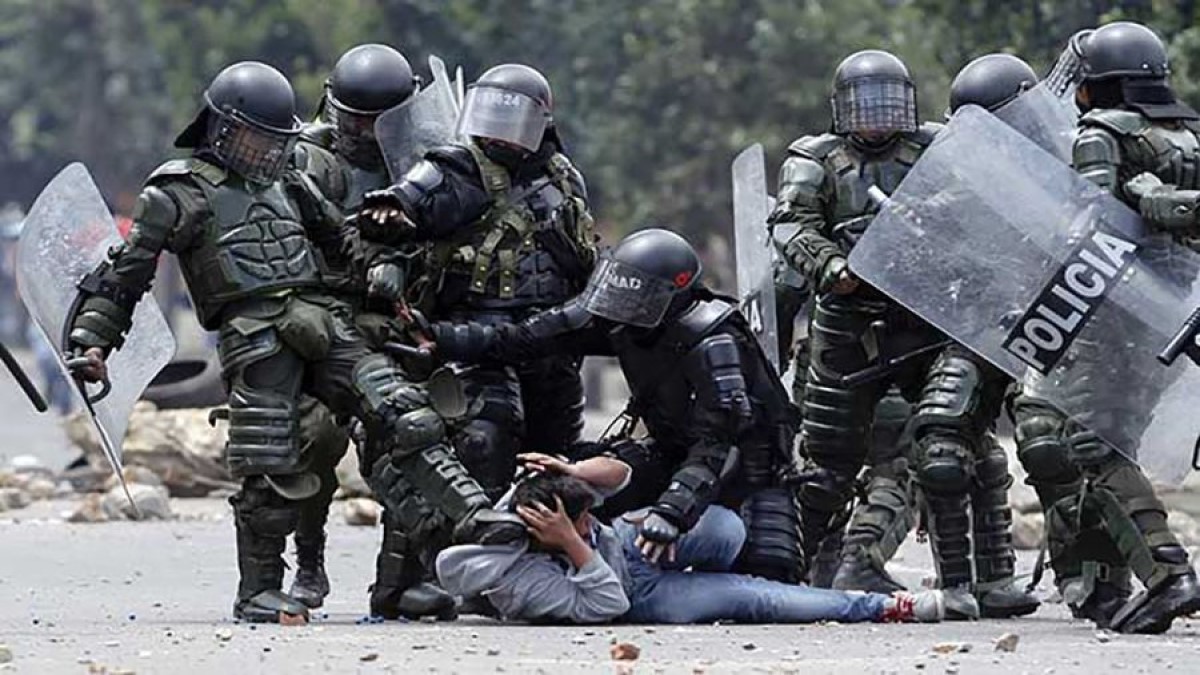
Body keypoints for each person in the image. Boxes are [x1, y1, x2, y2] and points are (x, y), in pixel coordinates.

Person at [63, 61, 522, 624]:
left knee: (406, 413)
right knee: (270, 462)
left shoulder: (292, 178)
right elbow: (125, 275)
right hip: (255, 334)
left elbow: (341, 244)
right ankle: (259, 590)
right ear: (223, 129)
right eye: (258, 138)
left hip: (324, 318)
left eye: (277, 140)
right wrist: (92, 342)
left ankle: (474, 516)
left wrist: (387, 270)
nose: (267, 151)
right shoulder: (176, 191)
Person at [775, 49, 1036, 618]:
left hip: (929, 319)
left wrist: (932, 222)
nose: (878, 117)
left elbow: (984, 210)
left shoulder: (938, 149)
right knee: (826, 468)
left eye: (889, 104)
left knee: (966, 453)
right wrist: (833, 267)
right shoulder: (814, 161)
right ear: (842, 110)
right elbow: (792, 226)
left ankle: (985, 581)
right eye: (865, 106)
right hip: (849, 326)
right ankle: (786, 575)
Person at [431, 228, 805, 583]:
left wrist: (672, 510)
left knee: (768, 576)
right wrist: (442, 339)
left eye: (634, 302)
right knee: (569, 484)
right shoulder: (623, 317)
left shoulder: (714, 342)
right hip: (671, 452)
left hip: (749, 470)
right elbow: (528, 338)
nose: (622, 311)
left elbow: (718, 443)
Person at [1019, 21, 1200, 634]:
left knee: (1089, 443)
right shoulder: (1188, 135)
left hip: (1113, 304)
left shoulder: (1100, 131)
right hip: (1173, 308)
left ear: (1095, 86)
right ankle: (1111, 586)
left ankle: (1167, 572)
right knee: (1114, 443)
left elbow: (1091, 222)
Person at [356, 63, 597, 500]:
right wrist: (391, 211)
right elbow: (407, 202)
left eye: (512, 122)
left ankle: (552, 561)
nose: (499, 134)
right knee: (485, 439)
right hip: (472, 334)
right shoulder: (458, 166)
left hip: (550, 338)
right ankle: (472, 551)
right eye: (492, 118)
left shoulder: (563, 177)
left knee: (557, 457)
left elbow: (584, 255)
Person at [288, 43, 458, 620]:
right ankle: (308, 561)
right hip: (322, 322)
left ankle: (403, 579)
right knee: (313, 441)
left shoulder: (428, 159)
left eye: (376, 121)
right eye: (354, 118)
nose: (363, 132)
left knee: (411, 439)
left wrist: (405, 261)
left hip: (399, 323)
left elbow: (452, 234)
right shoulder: (306, 160)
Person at [436, 453, 944, 624]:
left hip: (632, 547)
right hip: (637, 595)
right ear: (546, 534)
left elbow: (620, 474)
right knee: (753, 598)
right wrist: (576, 544)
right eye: (578, 524)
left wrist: (571, 468)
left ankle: (713, 568)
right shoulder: (519, 581)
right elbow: (609, 603)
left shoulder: (536, 499)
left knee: (726, 528)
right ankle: (880, 607)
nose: (587, 524)